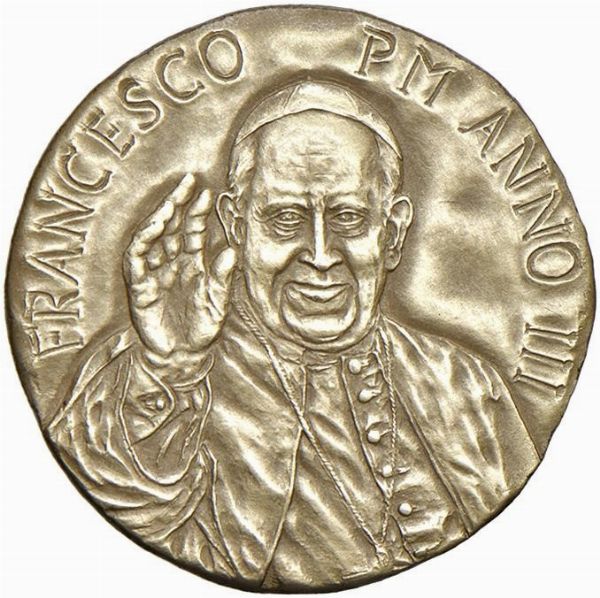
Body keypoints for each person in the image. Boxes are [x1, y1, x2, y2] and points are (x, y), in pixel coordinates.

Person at [49, 80, 539, 591]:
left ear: (392, 233)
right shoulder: (147, 376)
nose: (321, 255)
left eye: (349, 217)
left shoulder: (466, 384)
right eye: (285, 219)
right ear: (237, 225)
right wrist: (171, 369)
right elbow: (113, 518)